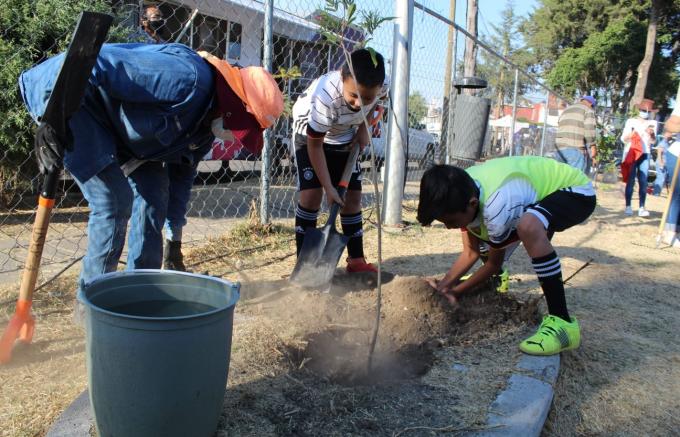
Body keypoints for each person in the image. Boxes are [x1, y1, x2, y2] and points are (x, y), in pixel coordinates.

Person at [20, 43, 282, 287]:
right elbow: (96, 61)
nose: (235, 135)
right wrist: (53, 117)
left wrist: (174, 242)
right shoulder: (187, 78)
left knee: (156, 191)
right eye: (242, 127)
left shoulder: (203, 130)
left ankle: (140, 290)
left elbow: (181, 182)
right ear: (234, 104)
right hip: (68, 97)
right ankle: (93, 306)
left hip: (118, 129)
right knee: (113, 199)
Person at [417, 156, 596, 356]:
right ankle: (495, 283)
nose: (448, 227)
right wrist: (444, 286)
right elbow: (471, 252)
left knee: (527, 226)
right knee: (485, 235)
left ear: (472, 203)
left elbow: (494, 263)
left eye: (450, 221)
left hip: (576, 192)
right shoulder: (461, 189)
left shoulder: (497, 205)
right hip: (527, 196)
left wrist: (456, 292)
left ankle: (562, 322)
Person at [291, 48, 386, 274]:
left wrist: (365, 127)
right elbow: (315, 145)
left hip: (345, 135)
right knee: (311, 196)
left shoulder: (382, 84)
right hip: (310, 135)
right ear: (342, 77)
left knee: (352, 198)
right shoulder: (325, 97)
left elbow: (378, 106)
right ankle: (304, 266)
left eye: (366, 98)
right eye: (353, 95)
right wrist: (329, 188)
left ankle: (356, 260)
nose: (358, 104)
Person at [621, 110, 656, 217]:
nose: (645, 112)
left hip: (645, 154)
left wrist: (651, 134)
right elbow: (623, 139)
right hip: (632, 152)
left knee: (643, 181)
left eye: (648, 111)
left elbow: (653, 142)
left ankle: (641, 207)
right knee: (630, 180)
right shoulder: (631, 121)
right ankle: (628, 206)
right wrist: (631, 135)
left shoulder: (653, 123)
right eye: (643, 110)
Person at [554, 95, 597, 173]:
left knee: (560, 179)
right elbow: (589, 129)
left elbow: (559, 124)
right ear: (591, 104)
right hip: (574, 149)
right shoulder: (588, 110)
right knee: (576, 180)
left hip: (559, 149)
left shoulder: (567, 109)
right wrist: (593, 147)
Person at [653, 129, 674, 196]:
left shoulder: (668, 143)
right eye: (669, 134)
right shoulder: (663, 143)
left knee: (662, 177)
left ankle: (657, 191)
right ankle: (656, 193)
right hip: (660, 162)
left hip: (664, 163)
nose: (671, 135)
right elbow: (659, 153)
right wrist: (661, 162)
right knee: (661, 178)